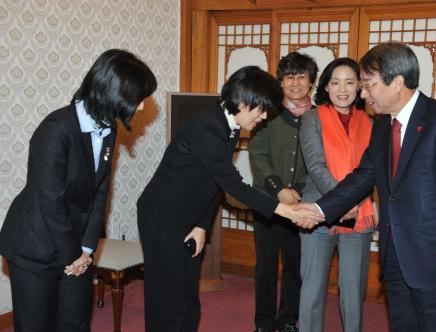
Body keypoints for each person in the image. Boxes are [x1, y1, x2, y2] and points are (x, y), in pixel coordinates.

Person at [300, 42, 436, 331]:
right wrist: (320, 209)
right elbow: (363, 177)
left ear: (397, 82)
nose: (363, 94)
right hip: (395, 254)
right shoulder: (383, 126)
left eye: (368, 85)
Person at [136, 66, 324, 332]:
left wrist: (202, 225)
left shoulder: (231, 126)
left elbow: (214, 184)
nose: (264, 116)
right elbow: (234, 186)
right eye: (261, 109)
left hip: (188, 219)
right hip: (162, 219)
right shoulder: (207, 129)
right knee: (167, 299)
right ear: (244, 100)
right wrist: (289, 211)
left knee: (189, 297)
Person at [0, 49, 157, 332]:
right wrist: (73, 254)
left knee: (75, 324)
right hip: (34, 245)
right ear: (114, 93)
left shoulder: (109, 129)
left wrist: (86, 248)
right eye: (139, 98)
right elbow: (50, 201)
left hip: (76, 246)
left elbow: (99, 195)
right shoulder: (55, 130)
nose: (143, 107)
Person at [299, 57, 376, 332]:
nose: (342, 89)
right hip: (319, 212)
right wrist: (341, 202)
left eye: (350, 82)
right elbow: (316, 165)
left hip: (359, 214)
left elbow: (373, 171)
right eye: (335, 82)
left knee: (353, 290)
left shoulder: (371, 122)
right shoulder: (312, 118)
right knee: (313, 288)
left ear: (359, 88)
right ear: (326, 87)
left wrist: (350, 203)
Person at [249, 52, 318, 332]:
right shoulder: (267, 112)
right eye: (289, 77)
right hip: (267, 201)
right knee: (265, 265)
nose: (295, 82)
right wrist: (279, 190)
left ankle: (288, 319)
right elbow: (257, 154)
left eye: (301, 76)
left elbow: (319, 161)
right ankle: (264, 322)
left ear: (311, 82)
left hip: (303, 204)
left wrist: (297, 192)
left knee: (295, 264)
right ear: (281, 81)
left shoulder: (319, 116)